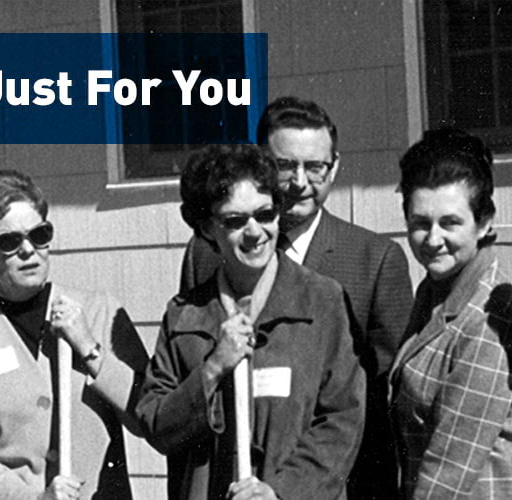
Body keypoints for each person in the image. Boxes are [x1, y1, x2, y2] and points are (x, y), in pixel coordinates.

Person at [176, 96, 412, 499]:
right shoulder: (206, 252)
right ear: (263, 166)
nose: (300, 182)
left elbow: (382, 404)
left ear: (334, 166)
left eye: (316, 166)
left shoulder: (375, 260)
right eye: (286, 165)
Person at [137, 144, 366, 500]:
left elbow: (341, 420)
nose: (255, 231)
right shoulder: (185, 315)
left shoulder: (321, 300)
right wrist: (212, 370)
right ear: (207, 228)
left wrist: (278, 492)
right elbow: (156, 425)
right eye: (235, 221)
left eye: (265, 214)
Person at [0, 170, 150, 500]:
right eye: (9, 241)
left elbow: (146, 415)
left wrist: (89, 349)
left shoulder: (99, 311)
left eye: (39, 234)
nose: (28, 250)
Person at [392, 129, 512, 499]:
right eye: (420, 223)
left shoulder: (492, 320)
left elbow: (449, 471)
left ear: (484, 222)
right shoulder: (437, 288)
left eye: (450, 223)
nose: (432, 239)